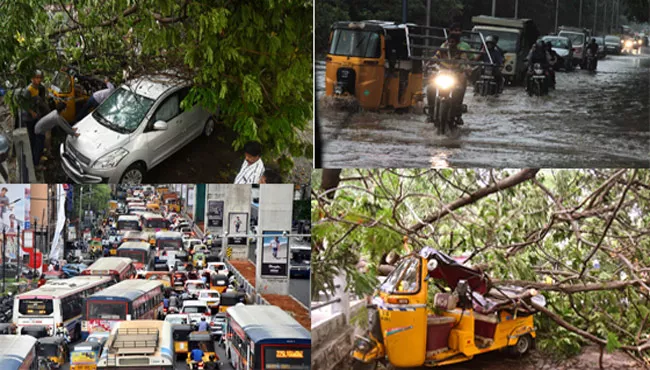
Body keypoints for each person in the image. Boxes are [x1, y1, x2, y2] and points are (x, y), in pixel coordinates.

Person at [433, 33, 469, 119]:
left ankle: (457, 113)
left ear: (457, 43)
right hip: (442, 74)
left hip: (455, 76)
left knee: (459, 90)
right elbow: (435, 57)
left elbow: (464, 62)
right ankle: (430, 113)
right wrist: (427, 64)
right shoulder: (442, 50)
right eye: (449, 42)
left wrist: (466, 68)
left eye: (453, 42)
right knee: (431, 88)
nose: (450, 44)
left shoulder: (460, 52)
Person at [34, 102, 80, 169]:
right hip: (39, 131)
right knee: (39, 148)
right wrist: (74, 134)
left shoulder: (56, 112)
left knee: (43, 144)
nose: (66, 110)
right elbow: (64, 127)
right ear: (63, 110)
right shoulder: (56, 117)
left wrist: (71, 128)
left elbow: (64, 121)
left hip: (40, 129)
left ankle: (46, 154)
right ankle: (36, 165)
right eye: (65, 108)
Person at [19, 70, 49, 164]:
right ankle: (33, 158)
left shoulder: (37, 88)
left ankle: (37, 154)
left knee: (37, 135)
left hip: (34, 116)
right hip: (29, 117)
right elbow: (22, 103)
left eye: (40, 78)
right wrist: (31, 112)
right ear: (32, 79)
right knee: (33, 137)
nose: (38, 80)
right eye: (36, 78)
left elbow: (37, 100)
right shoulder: (28, 90)